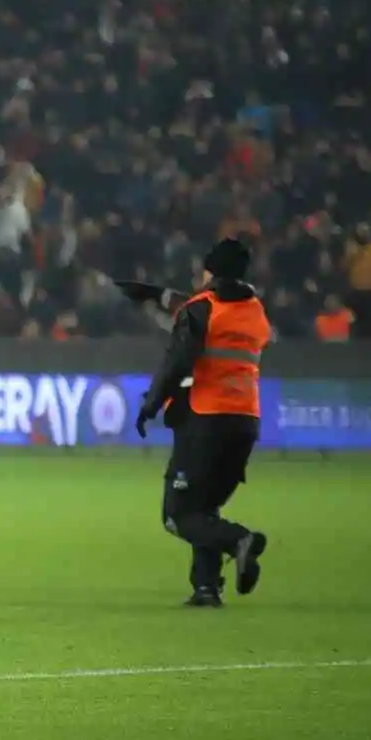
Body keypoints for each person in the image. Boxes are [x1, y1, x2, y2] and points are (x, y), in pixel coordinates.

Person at [134, 239, 271, 608]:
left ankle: (238, 540)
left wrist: (151, 404)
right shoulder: (256, 312)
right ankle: (206, 588)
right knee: (205, 507)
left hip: (207, 419)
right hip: (246, 421)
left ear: (210, 271)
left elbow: (177, 361)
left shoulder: (201, 309)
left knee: (178, 515)